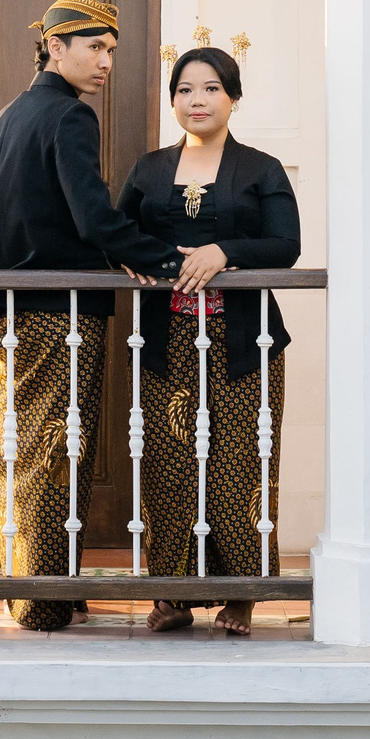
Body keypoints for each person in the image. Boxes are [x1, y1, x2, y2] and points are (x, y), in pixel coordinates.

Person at [0, 0, 180, 631]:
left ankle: (36, 590)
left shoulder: (5, 118)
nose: (107, 61)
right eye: (94, 47)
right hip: (55, 311)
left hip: (3, 307)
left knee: (18, 449)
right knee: (53, 452)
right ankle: (42, 602)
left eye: (111, 50)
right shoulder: (70, 115)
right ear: (54, 47)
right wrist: (166, 261)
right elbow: (93, 219)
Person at [115, 41, 299, 636]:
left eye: (211, 88)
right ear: (173, 101)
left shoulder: (263, 168)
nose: (197, 100)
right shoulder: (148, 169)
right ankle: (172, 594)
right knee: (167, 465)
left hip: (244, 344)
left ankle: (242, 594)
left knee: (240, 465)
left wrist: (224, 251)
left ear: (233, 97)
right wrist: (134, 257)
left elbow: (286, 245)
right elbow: (117, 236)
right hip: (164, 341)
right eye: (185, 90)